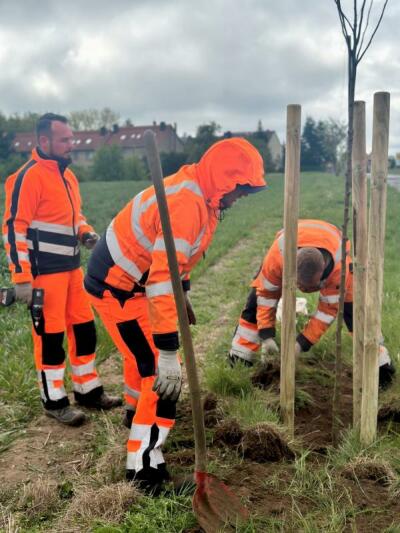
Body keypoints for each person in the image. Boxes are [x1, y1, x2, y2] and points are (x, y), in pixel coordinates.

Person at [84, 137, 267, 493]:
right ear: (224, 180)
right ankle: (144, 470)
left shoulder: (203, 195)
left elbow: (173, 258)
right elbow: (160, 281)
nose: (240, 197)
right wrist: (169, 352)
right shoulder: (187, 202)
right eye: (240, 189)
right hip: (119, 290)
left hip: (129, 283)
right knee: (162, 376)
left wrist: (183, 292)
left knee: (143, 363)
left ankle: (135, 416)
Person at [2, 113, 121, 426]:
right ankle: (53, 400)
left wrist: (85, 232)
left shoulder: (67, 176)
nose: (72, 144)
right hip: (43, 277)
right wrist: (22, 279)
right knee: (50, 339)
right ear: (45, 141)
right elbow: (15, 228)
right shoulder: (27, 177)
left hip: (72, 271)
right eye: (65, 139)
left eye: (71, 138)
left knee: (84, 330)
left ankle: (88, 390)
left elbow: (74, 216)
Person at [229, 219, 395, 388]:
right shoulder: (277, 258)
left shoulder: (340, 270)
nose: (303, 290)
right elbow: (266, 296)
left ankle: (382, 370)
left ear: (323, 275)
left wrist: (300, 343)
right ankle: (239, 360)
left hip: (330, 242)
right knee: (254, 302)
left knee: (357, 316)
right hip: (293, 242)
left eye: (309, 287)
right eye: (299, 286)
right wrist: (266, 335)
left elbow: (327, 312)